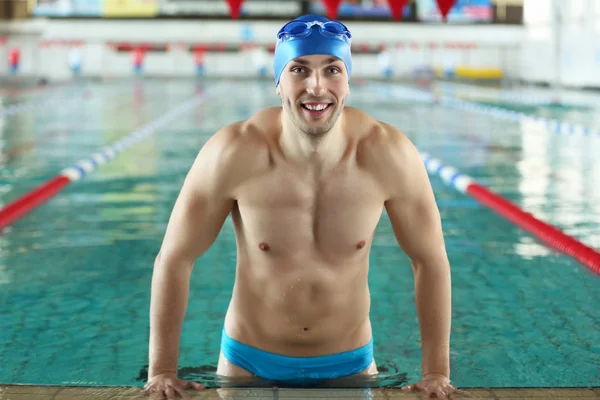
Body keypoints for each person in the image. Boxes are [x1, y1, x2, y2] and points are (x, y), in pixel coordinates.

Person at [144, 13, 463, 400]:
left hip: (351, 365)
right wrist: (161, 371)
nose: (316, 87)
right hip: (247, 364)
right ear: (278, 83)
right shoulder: (234, 152)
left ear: (348, 83)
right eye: (299, 70)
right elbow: (174, 258)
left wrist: (436, 372)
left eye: (332, 69)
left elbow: (430, 260)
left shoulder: (387, 154)